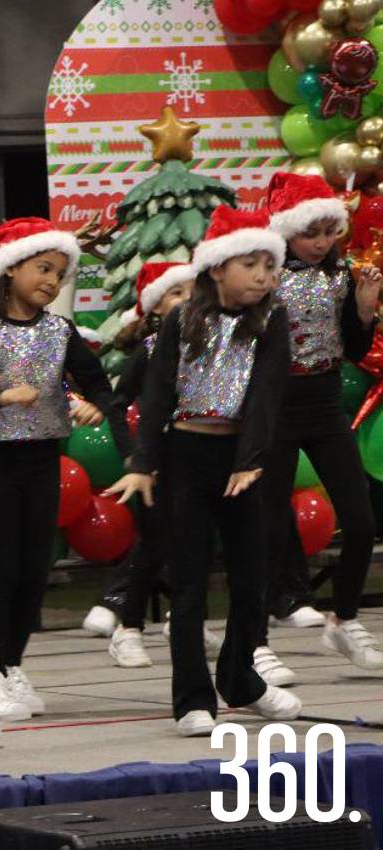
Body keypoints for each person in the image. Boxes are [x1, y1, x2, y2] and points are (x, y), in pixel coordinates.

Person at [105, 206, 302, 737]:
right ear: (217, 268)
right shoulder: (181, 319)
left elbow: (266, 395)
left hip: (244, 462)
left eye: (269, 264)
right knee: (189, 585)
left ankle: (241, 679)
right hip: (187, 458)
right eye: (251, 264)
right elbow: (158, 393)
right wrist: (143, 462)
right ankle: (192, 698)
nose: (263, 275)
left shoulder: (272, 320)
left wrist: (251, 462)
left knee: (251, 579)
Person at [0, 217, 129, 721]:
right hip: (1, 465)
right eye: (43, 268)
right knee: (4, 570)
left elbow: (101, 385)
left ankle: (13, 667)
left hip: (45, 461)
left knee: (34, 570)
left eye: (60, 274)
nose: (51, 281)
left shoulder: (59, 331)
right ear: (10, 270)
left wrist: (93, 404)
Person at [253, 172, 383, 685]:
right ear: (287, 231)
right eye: (312, 233)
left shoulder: (340, 274)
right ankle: (255, 641)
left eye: (330, 232)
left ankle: (344, 618)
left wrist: (364, 311)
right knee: (264, 530)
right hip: (276, 407)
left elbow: (352, 349)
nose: (322, 243)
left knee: (362, 522)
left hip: (325, 403)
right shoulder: (266, 276)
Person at [106, 263, 196, 668]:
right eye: (177, 293)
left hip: (191, 458)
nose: (188, 300)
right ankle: (128, 628)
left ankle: (185, 621)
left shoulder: (204, 345)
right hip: (152, 463)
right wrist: (133, 455)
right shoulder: (148, 351)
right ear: (155, 306)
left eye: (194, 291)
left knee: (193, 540)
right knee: (153, 544)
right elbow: (118, 403)